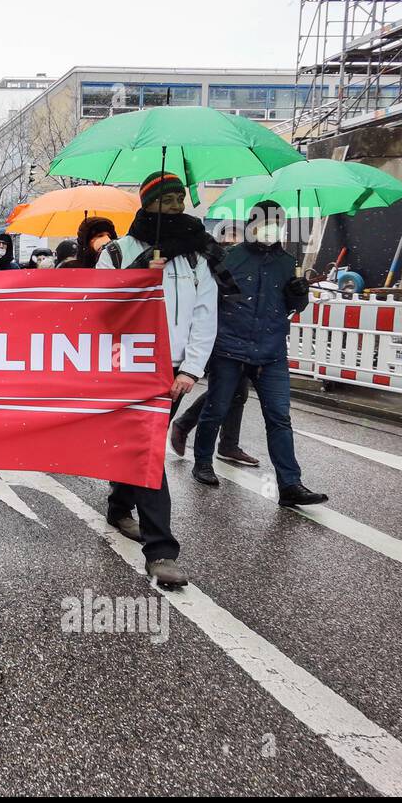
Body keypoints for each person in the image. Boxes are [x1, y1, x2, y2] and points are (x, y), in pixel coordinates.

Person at [96, 171, 220, 590]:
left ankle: (118, 504)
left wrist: (191, 369)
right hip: (128, 367)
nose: (176, 206)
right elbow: (98, 309)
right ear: (147, 203)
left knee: (141, 445)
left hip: (173, 371)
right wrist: (139, 274)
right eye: (166, 200)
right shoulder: (117, 252)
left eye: (180, 198)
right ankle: (161, 550)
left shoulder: (197, 257)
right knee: (148, 449)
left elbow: (206, 315)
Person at [191, 201, 327, 506]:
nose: (269, 230)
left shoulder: (286, 261)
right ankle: (202, 462)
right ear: (251, 225)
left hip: (272, 351)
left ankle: (290, 484)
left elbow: (293, 306)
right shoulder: (230, 258)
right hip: (230, 347)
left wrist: (298, 292)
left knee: (279, 417)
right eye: (264, 223)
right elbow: (212, 301)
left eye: (276, 223)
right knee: (217, 407)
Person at [169, 222, 258, 467]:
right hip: (217, 334)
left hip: (240, 333)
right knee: (227, 390)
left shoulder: (237, 261)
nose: (233, 242)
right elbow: (215, 299)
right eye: (229, 237)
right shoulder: (212, 261)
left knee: (237, 391)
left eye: (237, 238)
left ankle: (226, 443)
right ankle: (190, 428)